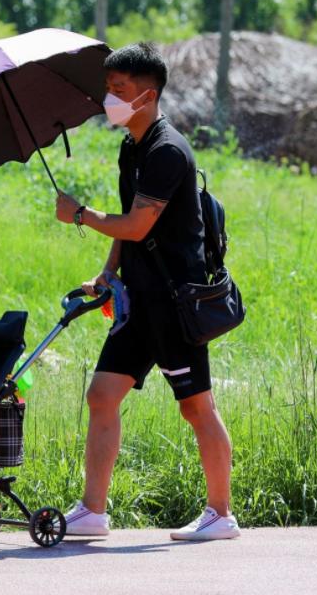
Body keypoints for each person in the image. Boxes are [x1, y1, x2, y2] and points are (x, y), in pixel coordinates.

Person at [53, 42, 239, 540]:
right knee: (101, 395)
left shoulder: (167, 150)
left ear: (147, 95)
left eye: (119, 90)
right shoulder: (131, 147)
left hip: (174, 303)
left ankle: (221, 514)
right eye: (108, 88)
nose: (109, 99)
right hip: (138, 301)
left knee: (196, 407)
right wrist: (107, 273)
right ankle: (93, 511)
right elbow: (128, 228)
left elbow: (137, 225)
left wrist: (80, 214)